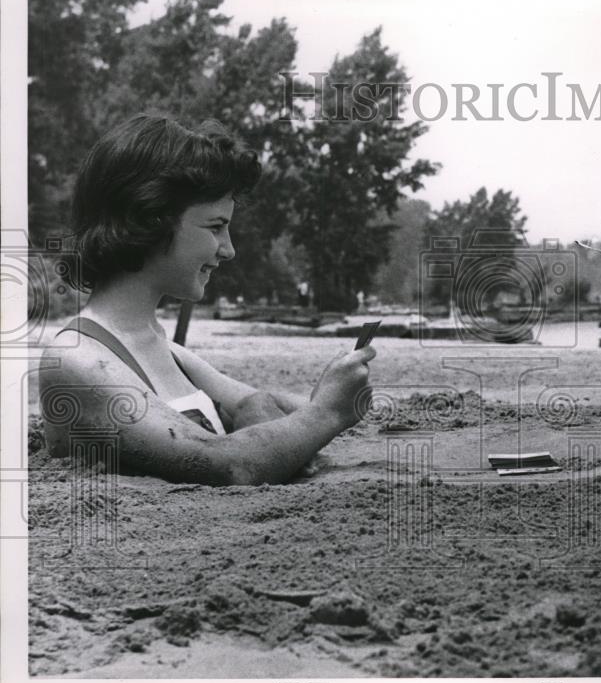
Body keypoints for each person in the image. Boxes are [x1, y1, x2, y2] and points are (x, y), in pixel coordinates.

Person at [40, 113, 375, 485]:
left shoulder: (159, 345)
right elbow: (228, 464)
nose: (229, 250)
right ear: (149, 220)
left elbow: (256, 401)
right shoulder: (78, 361)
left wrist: (265, 409)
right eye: (215, 227)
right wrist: (326, 413)